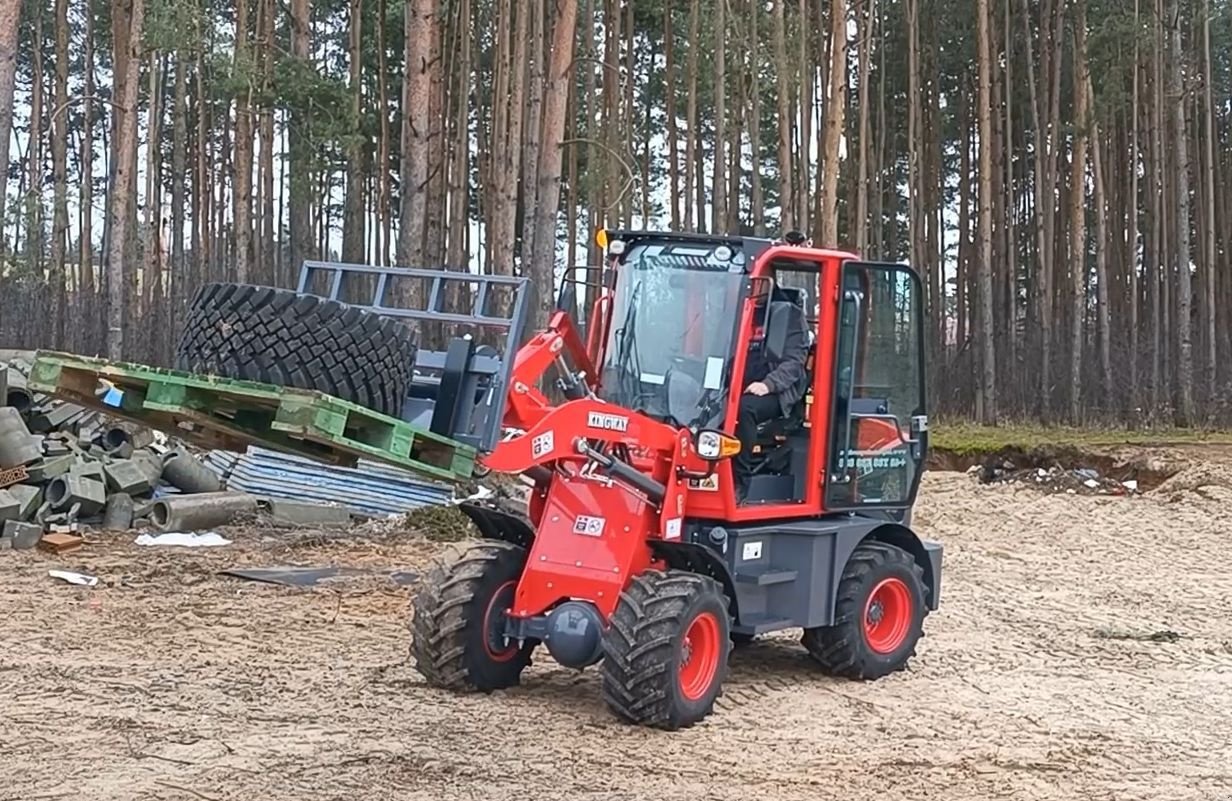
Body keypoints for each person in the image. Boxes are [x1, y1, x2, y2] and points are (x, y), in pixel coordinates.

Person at [732, 278, 808, 499]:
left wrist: (768, 385)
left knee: (745, 409)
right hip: (738, 383)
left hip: (778, 391)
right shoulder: (743, 310)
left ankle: (740, 481)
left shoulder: (790, 316)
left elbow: (794, 363)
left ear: (769, 280)